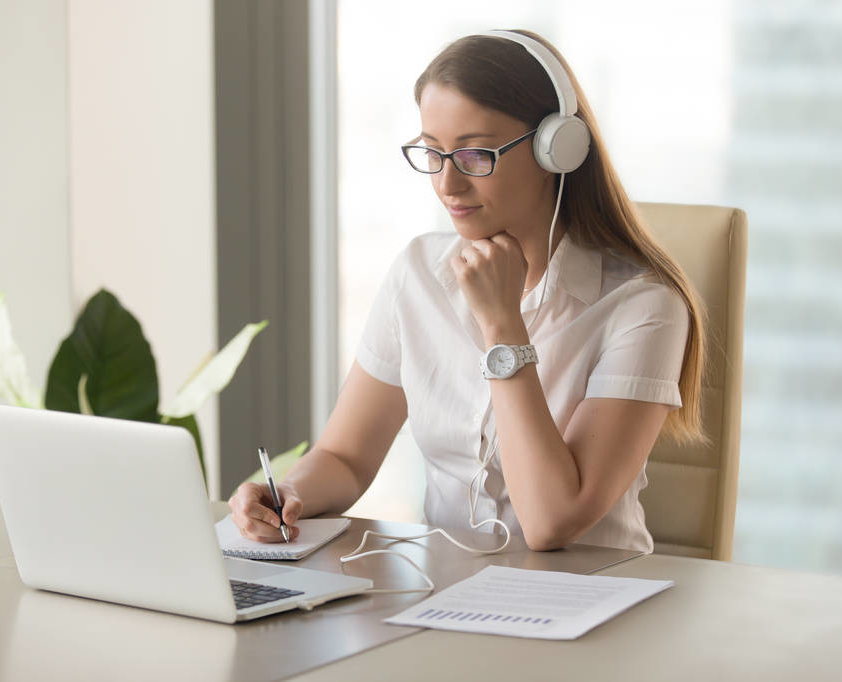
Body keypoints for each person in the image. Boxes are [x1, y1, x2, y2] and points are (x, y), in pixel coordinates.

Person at [229, 29, 705, 553]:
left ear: (557, 150)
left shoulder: (643, 307)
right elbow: (346, 457)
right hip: (444, 593)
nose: (448, 186)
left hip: (590, 602)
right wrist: (289, 493)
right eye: (432, 153)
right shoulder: (418, 272)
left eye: (476, 155)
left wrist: (503, 324)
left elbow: (552, 521)